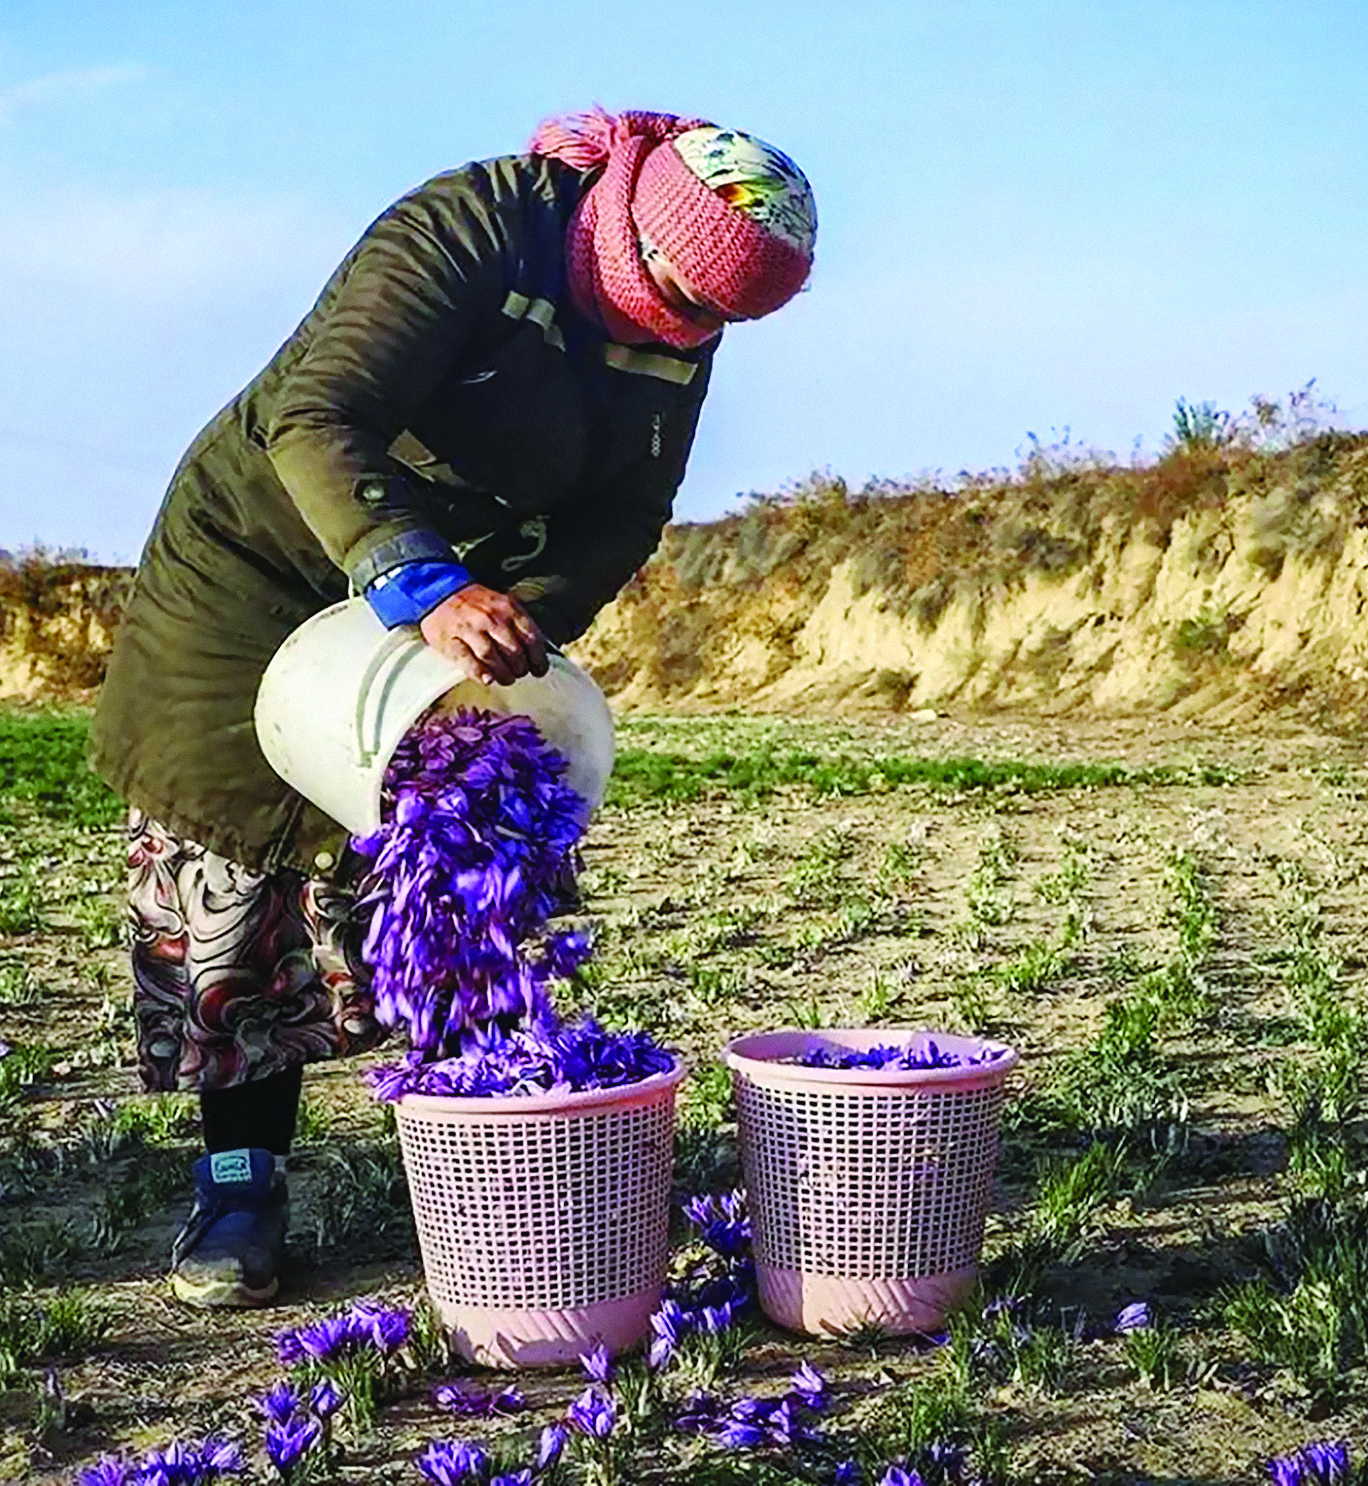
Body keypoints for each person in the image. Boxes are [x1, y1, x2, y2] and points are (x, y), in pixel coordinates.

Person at [86, 109, 816, 1307]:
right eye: (678, 296)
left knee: (460, 879)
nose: (686, 329)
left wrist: (517, 623)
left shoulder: (683, 308)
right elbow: (313, 416)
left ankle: (490, 1164)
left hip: (453, 609)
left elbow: (627, 508)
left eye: (715, 320)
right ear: (631, 222)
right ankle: (239, 1182)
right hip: (268, 569)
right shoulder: (471, 227)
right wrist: (425, 584)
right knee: (241, 895)